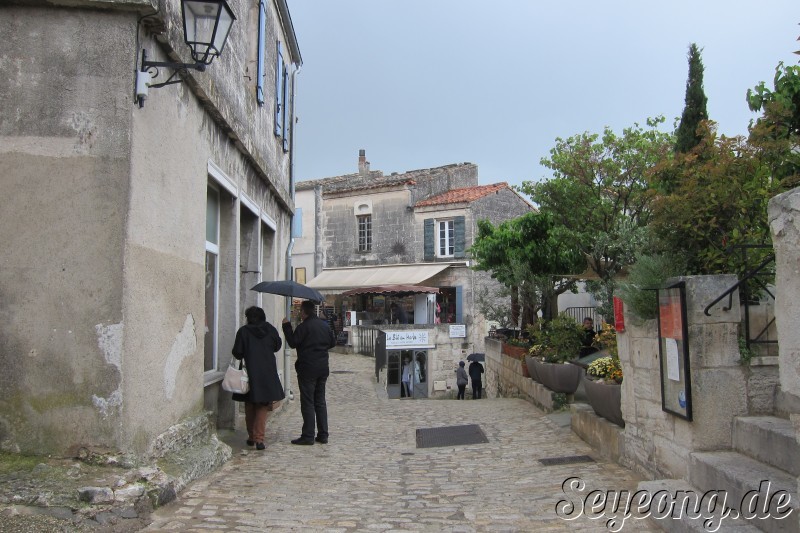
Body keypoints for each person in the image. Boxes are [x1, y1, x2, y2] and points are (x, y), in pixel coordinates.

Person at [282, 300, 336, 445]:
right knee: (320, 401)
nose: (300, 313)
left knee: (308, 402)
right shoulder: (324, 326)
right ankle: (323, 434)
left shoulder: (303, 327)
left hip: (307, 368)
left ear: (304, 312)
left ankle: (308, 435)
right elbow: (332, 342)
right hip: (323, 368)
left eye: (301, 311)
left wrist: (286, 326)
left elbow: (293, 342)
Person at [232, 306, 285, 451]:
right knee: (262, 405)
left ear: (248, 317)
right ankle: (259, 438)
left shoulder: (244, 331)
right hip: (267, 372)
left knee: (249, 405)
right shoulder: (271, 329)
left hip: (249, 372)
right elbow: (277, 346)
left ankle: (251, 436)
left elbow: (237, 352)